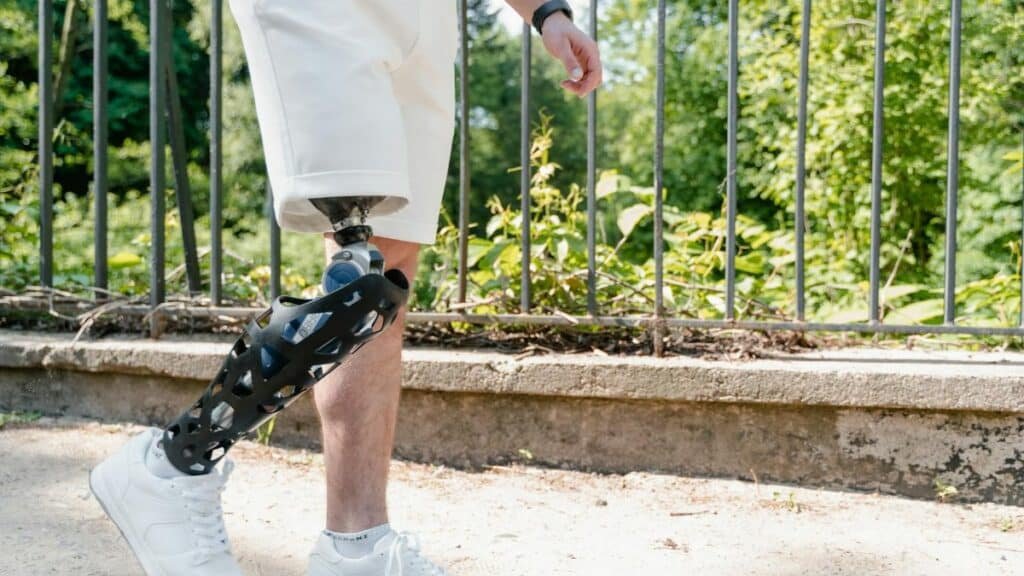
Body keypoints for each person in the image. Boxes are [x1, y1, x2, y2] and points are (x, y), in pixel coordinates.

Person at [89, 1, 601, 574]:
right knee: (357, 271)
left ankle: (355, 546)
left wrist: (545, 11)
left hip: (424, 21)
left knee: (384, 279)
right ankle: (171, 463)